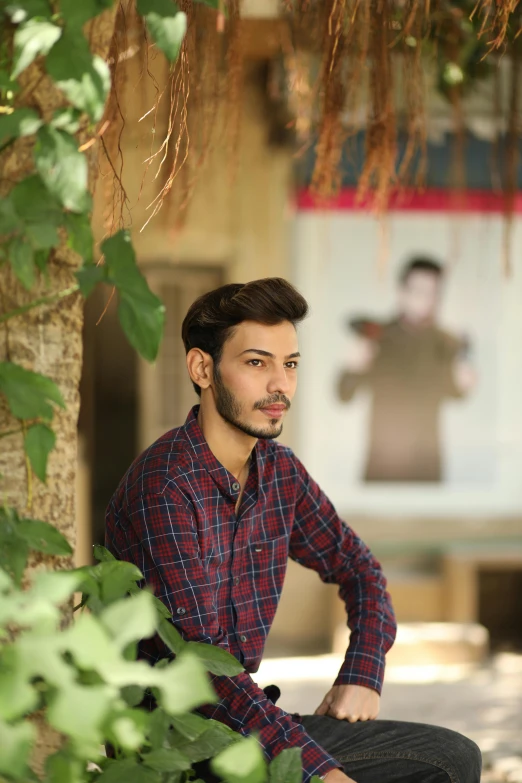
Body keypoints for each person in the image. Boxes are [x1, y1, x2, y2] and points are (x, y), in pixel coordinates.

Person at [106, 277, 481, 783]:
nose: (280, 384)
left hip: (248, 724)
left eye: (291, 365)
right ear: (202, 369)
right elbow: (203, 671)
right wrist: (318, 772)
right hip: (173, 745)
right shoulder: (166, 484)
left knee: (452, 759)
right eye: (257, 363)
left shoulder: (279, 473)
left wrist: (361, 674)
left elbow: (359, 567)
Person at [337, 258, 477, 482]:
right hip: (382, 464)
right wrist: (352, 367)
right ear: (402, 291)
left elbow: (458, 393)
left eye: (433, 293)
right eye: (419, 291)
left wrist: (464, 378)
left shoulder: (446, 343)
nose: (426, 300)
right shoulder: (377, 337)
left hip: (427, 465)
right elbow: (344, 394)